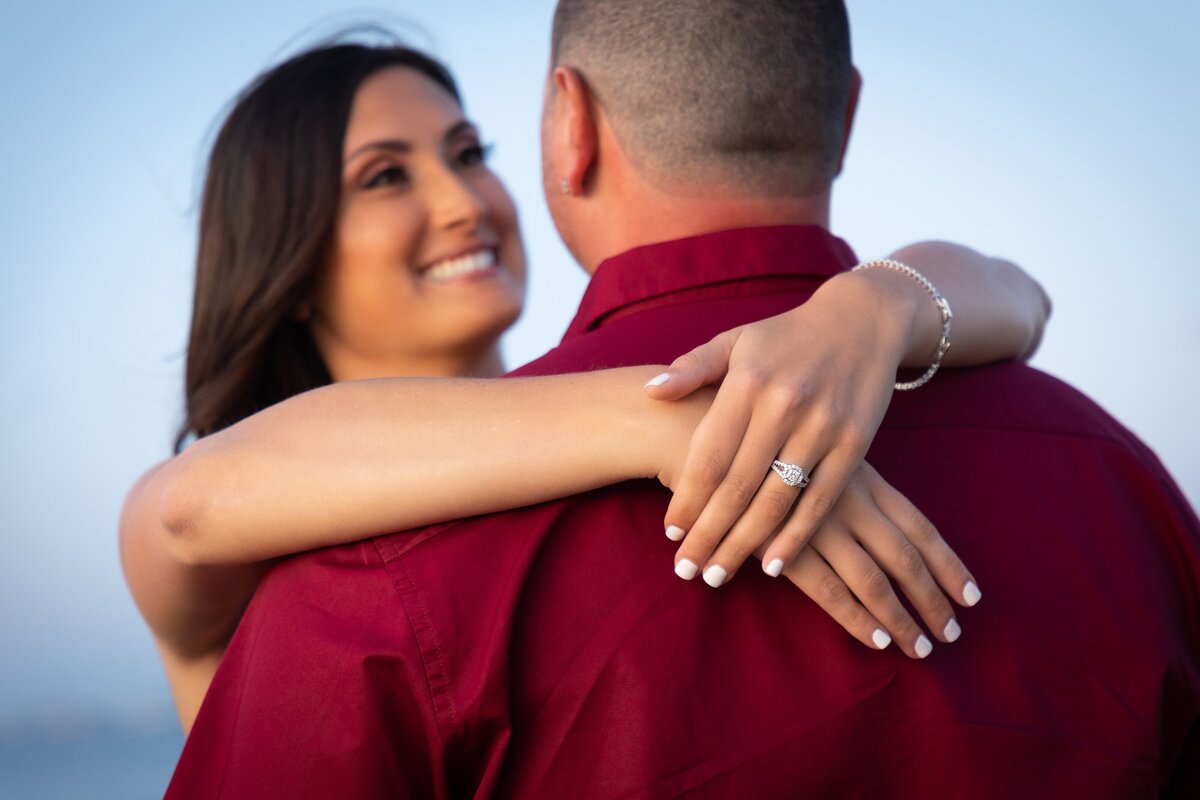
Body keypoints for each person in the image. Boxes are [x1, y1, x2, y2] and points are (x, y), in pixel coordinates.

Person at [164, 2, 1200, 796]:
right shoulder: (1123, 481)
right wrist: (672, 410)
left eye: (469, 151)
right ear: (845, 114)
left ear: (566, 126)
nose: (462, 199)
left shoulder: (367, 591)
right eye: (384, 175)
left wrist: (876, 309)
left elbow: (1022, 294)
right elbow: (184, 505)